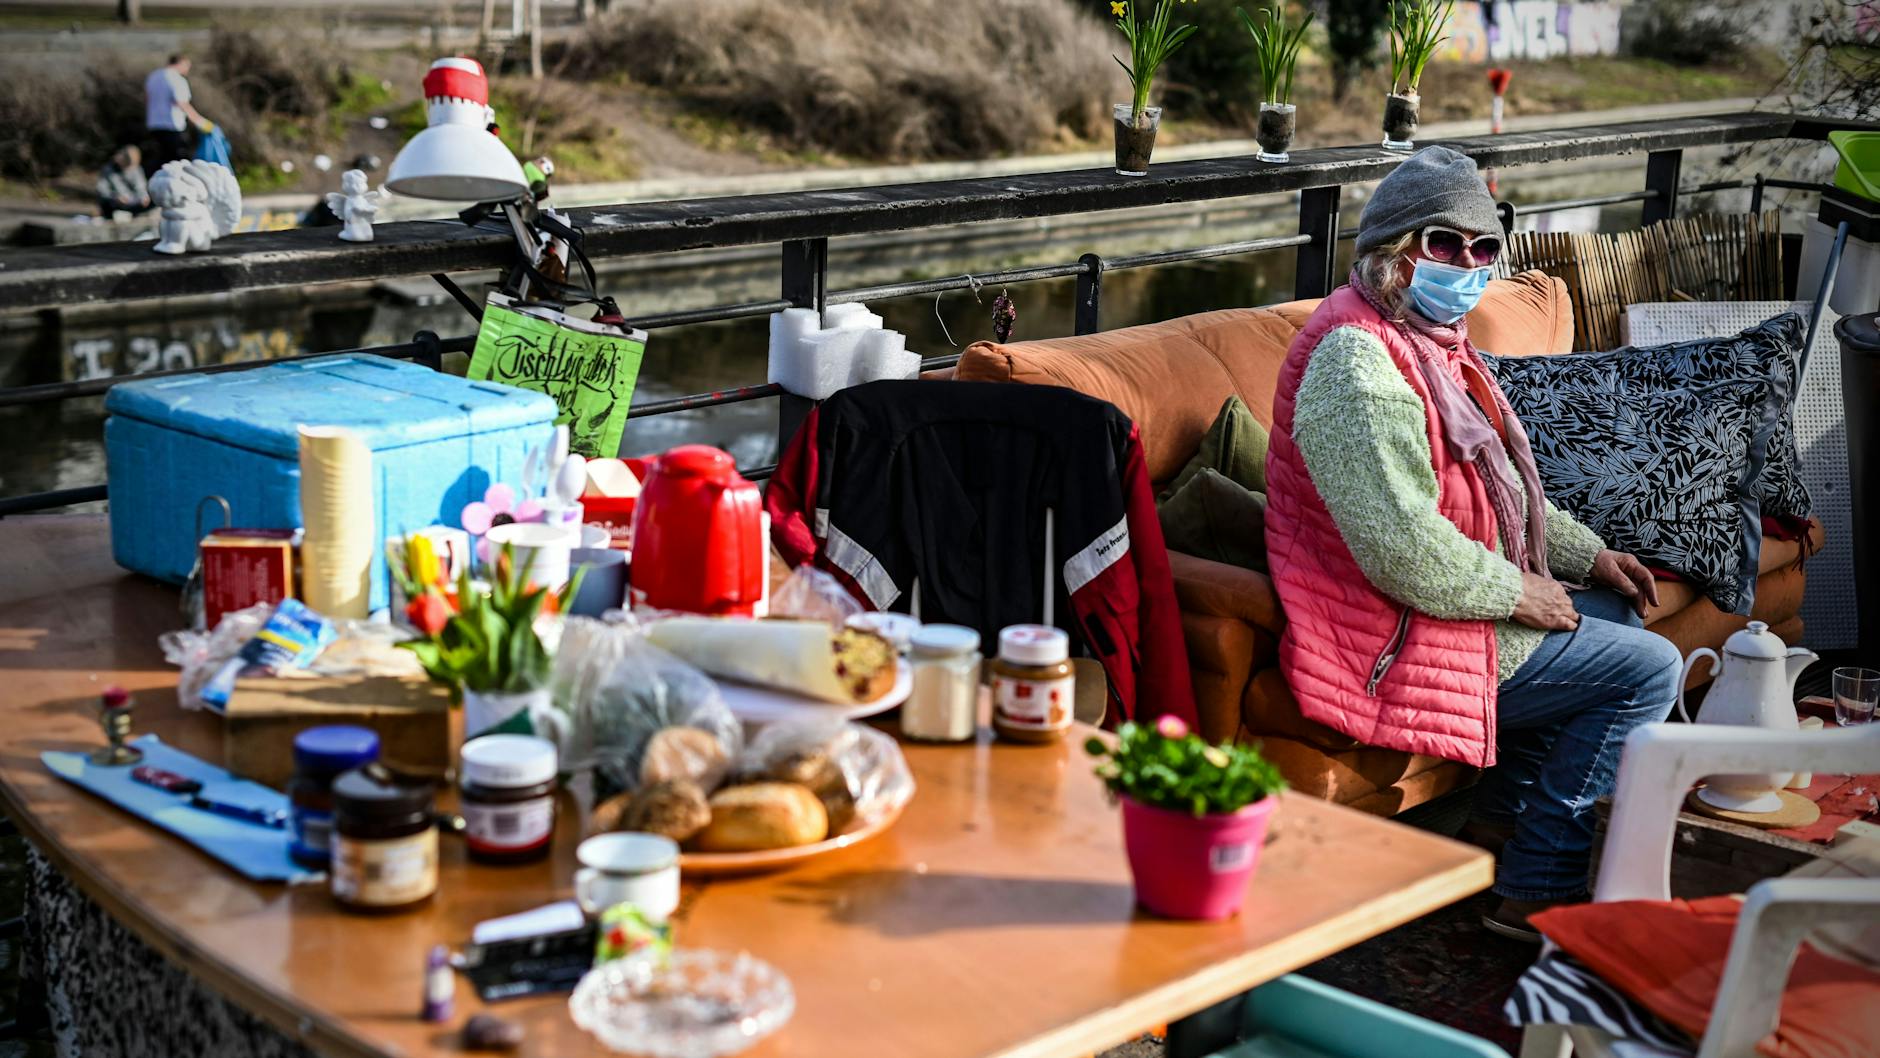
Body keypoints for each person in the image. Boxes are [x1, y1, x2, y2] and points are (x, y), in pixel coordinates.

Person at [1264, 146, 1680, 942]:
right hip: (1384, 632)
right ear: (1392, 250)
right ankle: (1539, 885)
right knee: (1648, 670)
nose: (1466, 263)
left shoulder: (1431, 344)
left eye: (1483, 248)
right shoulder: (1357, 363)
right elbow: (1402, 550)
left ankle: (1499, 826)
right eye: (1443, 243)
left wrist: (1589, 557)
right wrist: (1521, 592)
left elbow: (1496, 495)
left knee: (1618, 616)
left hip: (1429, 605)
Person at [144, 54, 210, 175]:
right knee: (179, 159)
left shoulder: (153, 76)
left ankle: (152, 180)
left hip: (154, 125)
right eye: (187, 66)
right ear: (181, 63)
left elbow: (148, 99)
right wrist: (200, 121)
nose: (187, 69)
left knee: (162, 157)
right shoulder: (177, 79)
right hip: (171, 125)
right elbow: (182, 103)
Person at [97, 145, 152, 217]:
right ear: (120, 158)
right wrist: (115, 197)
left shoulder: (136, 169)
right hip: (115, 203)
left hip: (132, 203)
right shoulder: (108, 170)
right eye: (126, 165)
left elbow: (141, 187)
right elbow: (102, 191)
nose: (128, 169)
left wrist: (144, 197)